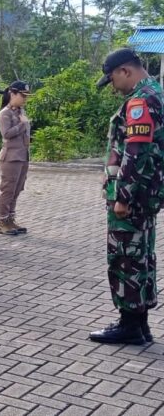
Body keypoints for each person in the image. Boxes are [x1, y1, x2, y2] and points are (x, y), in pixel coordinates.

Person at [89, 48, 163, 345]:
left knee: (125, 258)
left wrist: (122, 196)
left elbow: (136, 151)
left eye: (112, 79)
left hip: (131, 198)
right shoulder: (155, 92)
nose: (113, 86)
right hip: (146, 195)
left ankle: (129, 324)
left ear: (125, 71)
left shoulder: (140, 101)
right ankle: (139, 323)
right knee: (141, 255)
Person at [0, 81, 32, 236]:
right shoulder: (5, 113)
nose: (25, 99)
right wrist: (22, 125)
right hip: (11, 157)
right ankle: (2, 221)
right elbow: (6, 133)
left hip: (22, 155)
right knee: (8, 189)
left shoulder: (20, 112)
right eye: (22, 96)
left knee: (17, 189)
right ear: (13, 94)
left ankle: (11, 218)